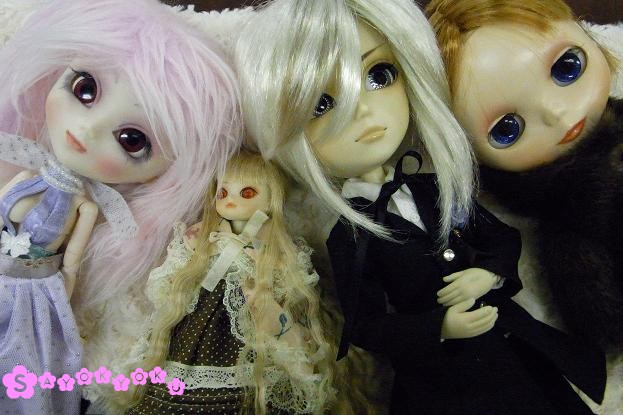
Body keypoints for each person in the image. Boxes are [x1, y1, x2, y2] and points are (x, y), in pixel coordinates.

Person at [0, 0, 241, 412]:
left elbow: (72, 259)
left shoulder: (85, 205)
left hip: (34, 290)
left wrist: (61, 291)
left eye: (132, 140)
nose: (88, 128)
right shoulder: (27, 170)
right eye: (84, 89)